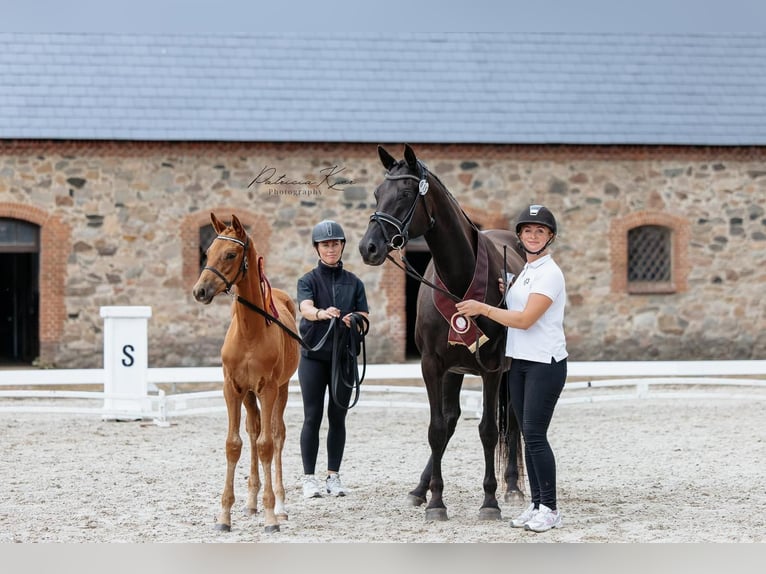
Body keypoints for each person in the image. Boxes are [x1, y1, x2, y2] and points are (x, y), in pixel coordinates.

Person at [455, 204, 567, 533]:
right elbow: (517, 301)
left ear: (550, 237)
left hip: (544, 363)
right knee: (526, 437)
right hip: (518, 362)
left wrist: (482, 308)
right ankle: (536, 504)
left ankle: (550, 507)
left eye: (540, 231)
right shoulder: (526, 274)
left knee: (535, 435)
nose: (533, 236)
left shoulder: (550, 273)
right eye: (528, 231)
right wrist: (507, 292)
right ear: (520, 236)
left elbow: (524, 319)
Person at [296, 219, 369, 499]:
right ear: (317, 248)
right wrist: (321, 313)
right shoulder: (308, 281)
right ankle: (309, 478)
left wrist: (354, 318)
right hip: (314, 356)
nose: (331, 248)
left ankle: (333, 476)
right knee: (312, 416)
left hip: (344, 357)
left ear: (342, 247)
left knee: (338, 417)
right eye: (325, 244)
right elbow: (305, 308)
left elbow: (364, 314)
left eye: (335, 244)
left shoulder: (355, 282)